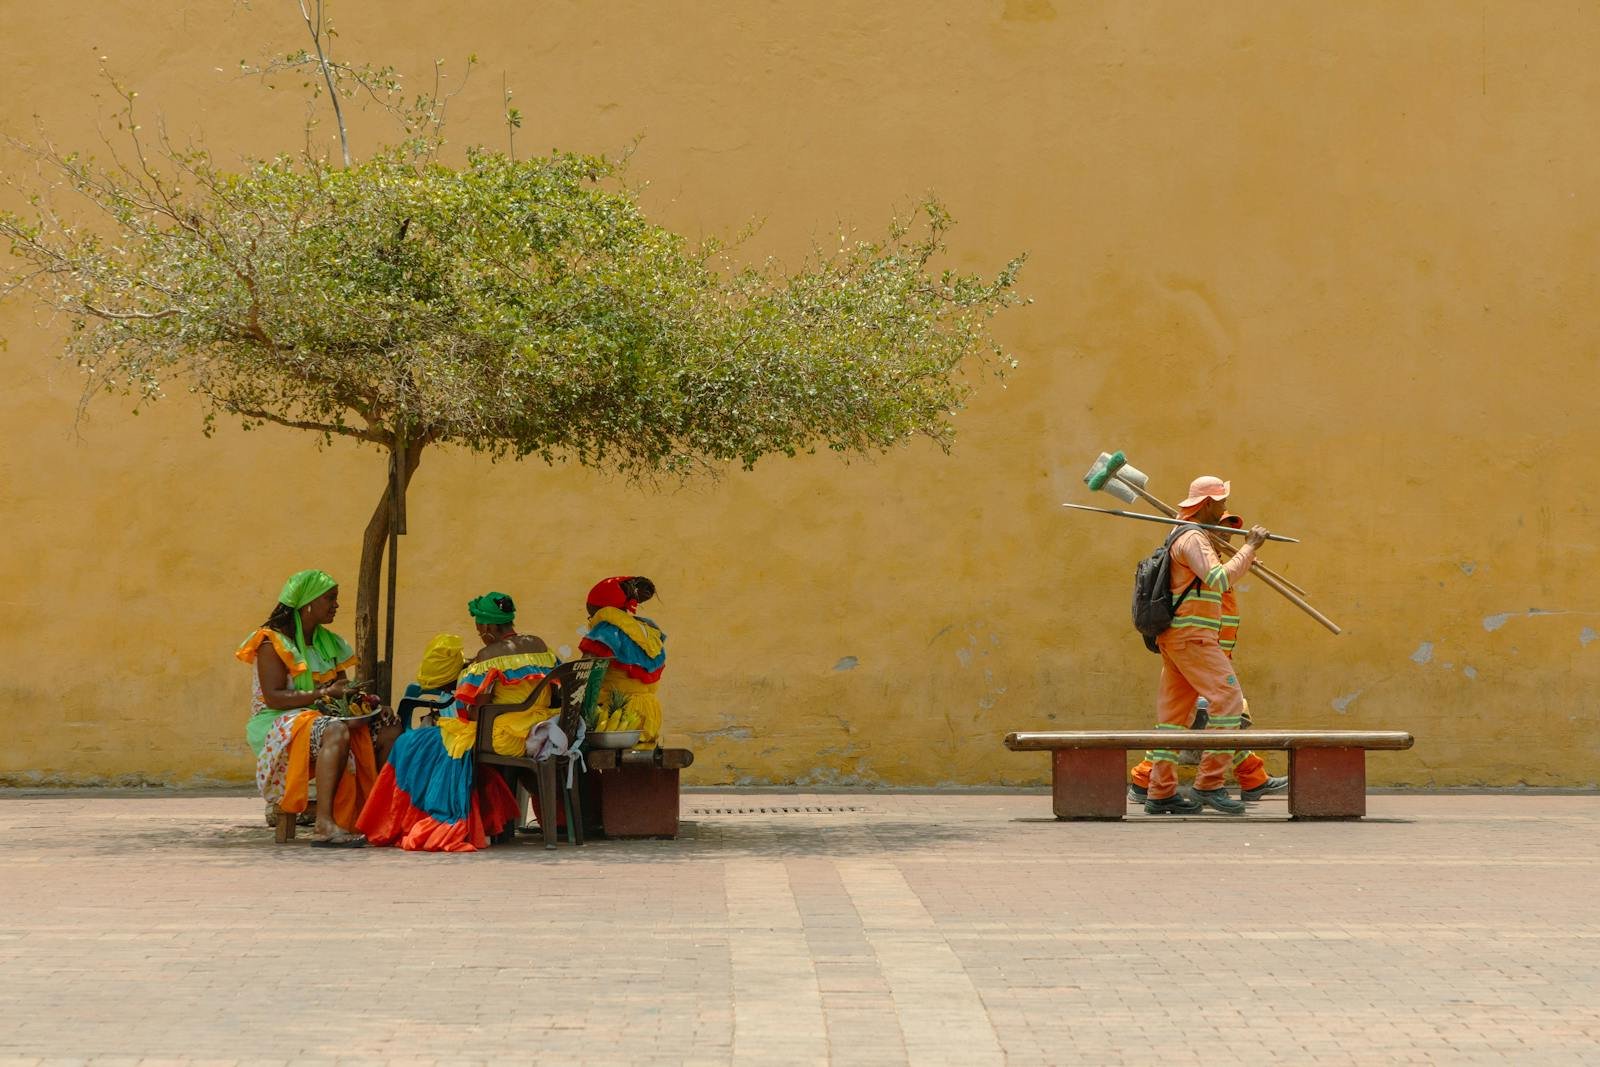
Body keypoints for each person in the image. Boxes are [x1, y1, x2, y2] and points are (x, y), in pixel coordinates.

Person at [356, 593, 556, 851]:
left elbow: (474, 712)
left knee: (411, 742)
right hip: (539, 730)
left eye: (479, 627)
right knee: (432, 741)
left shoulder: (488, 655)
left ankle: (396, 822)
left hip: (503, 737)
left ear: (486, 627)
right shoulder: (538, 644)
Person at [1129, 513, 1288, 803]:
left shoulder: (1204, 562)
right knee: (1227, 709)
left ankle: (1155, 786)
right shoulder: (1197, 555)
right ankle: (1207, 785)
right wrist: (1248, 550)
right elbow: (1218, 582)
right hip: (1198, 650)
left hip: (1198, 652)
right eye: (1221, 529)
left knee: (1177, 721)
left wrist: (1244, 559)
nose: (1225, 536)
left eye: (1230, 532)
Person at [235, 569, 399, 847]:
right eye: (330, 599)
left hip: (320, 717)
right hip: (279, 721)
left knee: (389, 730)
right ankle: (324, 824)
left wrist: (371, 705)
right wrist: (324, 692)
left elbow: (343, 691)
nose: (336, 605)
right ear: (307, 604)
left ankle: (379, 817)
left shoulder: (329, 642)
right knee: (334, 730)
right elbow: (274, 698)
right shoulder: (271, 642)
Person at [579, 576, 667, 747]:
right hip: (650, 714)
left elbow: (586, 676)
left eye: (590, 614)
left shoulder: (605, 633)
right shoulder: (650, 633)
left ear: (599, 610)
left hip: (619, 717)